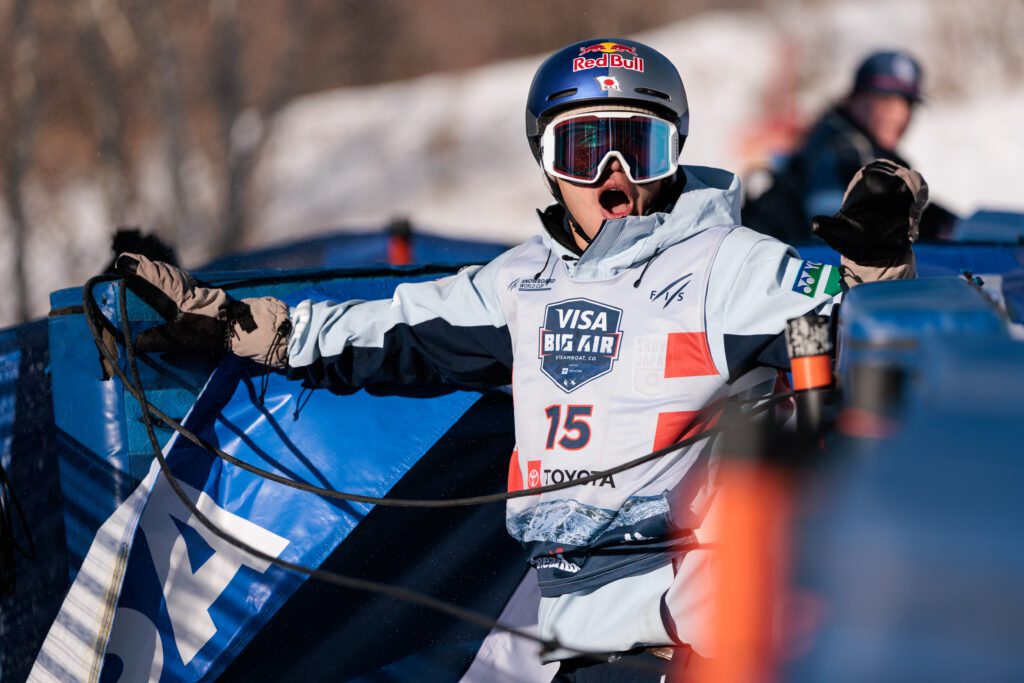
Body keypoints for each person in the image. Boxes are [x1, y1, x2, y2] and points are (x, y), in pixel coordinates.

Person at [116, 38, 926, 680]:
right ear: (546, 159)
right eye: (586, 150)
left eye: (637, 149)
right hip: (570, 630)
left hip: (703, 634)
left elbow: (855, 324)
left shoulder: (729, 264)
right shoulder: (520, 283)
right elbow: (384, 327)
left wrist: (874, 263)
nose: (615, 181)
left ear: (674, 153)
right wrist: (235, 325)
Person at [744, 49, 953, 243]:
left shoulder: (871, 153)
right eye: (886, 100)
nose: (901, 114)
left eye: (909, 103)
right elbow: (840, 237)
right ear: (854, 99)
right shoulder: (833, 153)